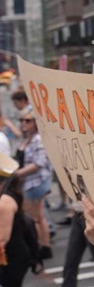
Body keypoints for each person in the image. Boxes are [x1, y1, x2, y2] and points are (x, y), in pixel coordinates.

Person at [13, 109, 53, 259]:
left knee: (34, 218)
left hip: (34, 183)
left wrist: (18, 174)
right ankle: (44, 247)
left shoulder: (37, 139)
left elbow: (40, 162)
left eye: (28, 120)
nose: (24, 123)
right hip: (28, 182)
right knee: (39, 217)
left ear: (35, 123)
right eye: (22, 120)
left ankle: (39, 248)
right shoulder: (25, 139)